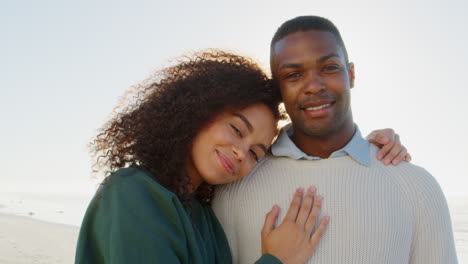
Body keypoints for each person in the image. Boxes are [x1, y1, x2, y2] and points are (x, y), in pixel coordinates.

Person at [75, 50, 409, 264]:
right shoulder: (132, 193)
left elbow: (300, 147)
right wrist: (276, 260)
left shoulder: (202, 212)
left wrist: (361, 146)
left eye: (255, 153)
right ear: (199, 111)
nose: (240, 153)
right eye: (237, 130)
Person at [212, 16, 458, 264]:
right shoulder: (233, 188)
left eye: (329, 68)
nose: (314, 86)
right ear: (278, 89)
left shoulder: (417, 188)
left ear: (350, 74)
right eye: (294, 74)